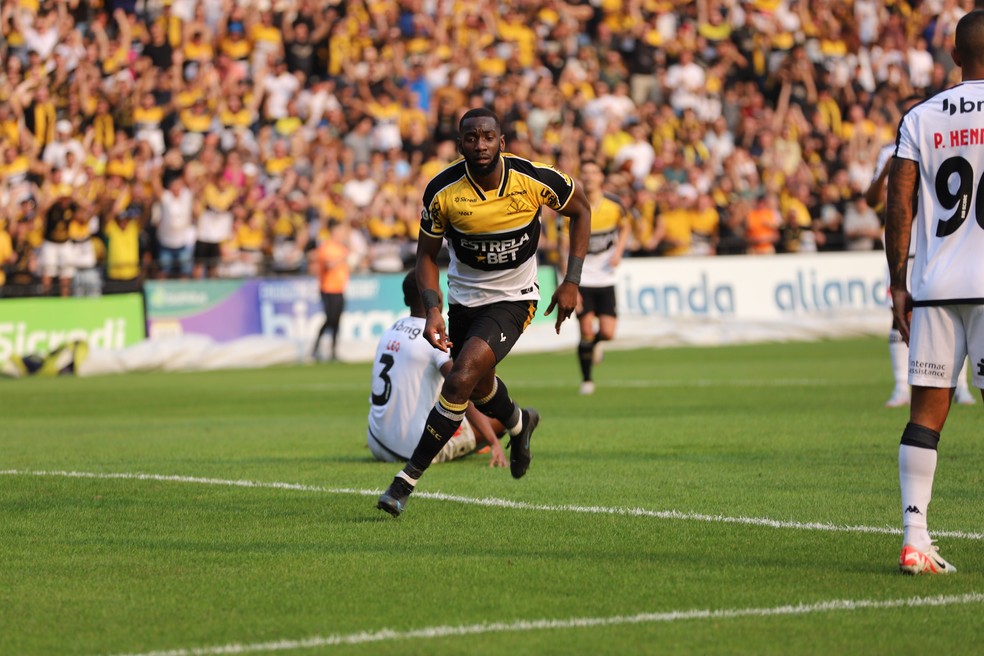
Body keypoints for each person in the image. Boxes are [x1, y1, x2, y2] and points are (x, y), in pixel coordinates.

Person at [377, 107, 592, 517]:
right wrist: (434, 308)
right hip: (463, 301)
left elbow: (581, 210)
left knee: (458, 380)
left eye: (488, 137)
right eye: (471, 138)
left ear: (501, 142)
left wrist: (572, 280)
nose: (480, 145)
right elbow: (426, 257)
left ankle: (405, 481)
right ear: (460, 145)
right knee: (478, 386)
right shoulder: (442, 191)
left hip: (515, 299)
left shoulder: (534, 180)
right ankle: (518, 423)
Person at [885, 9, 984, 576]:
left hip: (936, 285)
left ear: (954, 56)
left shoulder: (921, 116)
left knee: (926, 413)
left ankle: (914, 538)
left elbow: (900, 204)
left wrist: (898, 283)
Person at [866, 106, 976, 409]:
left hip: (937, 245)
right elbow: (872, 199)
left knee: (957, 309)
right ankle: (901, 385)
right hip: (903, 248)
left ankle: (961, 386)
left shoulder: (942, 141)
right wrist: (889, 168)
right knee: (899, 314)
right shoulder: (890, 151)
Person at [368, 272, 508, 467]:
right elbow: (462, 389)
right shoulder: (435, 338)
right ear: (438, 297)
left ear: (406, 300)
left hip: (376, 441)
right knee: (502, 417)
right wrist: (493, 441)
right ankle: (485, 441)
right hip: (413, 449)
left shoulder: (391, 329)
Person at [560, 160, 630, 395]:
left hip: (606, 278)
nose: (589, 177)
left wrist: (619, 251)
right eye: (585, 173)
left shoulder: (614, 205)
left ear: (601, 177)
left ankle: (597, 345)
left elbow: (626, 226)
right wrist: (569, 281)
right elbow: (563, 247)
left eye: (594, 172)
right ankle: (587, 380)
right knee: (586, 329)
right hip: (583, 279)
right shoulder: (573, 205)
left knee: (608, 332)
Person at [310, 218, 349, 362]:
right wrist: (342, 258)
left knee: (337, 320)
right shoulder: (327, 247)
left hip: (340, 289)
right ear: (333, 232)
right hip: (328, 288)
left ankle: (333, 351)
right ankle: (315, 348)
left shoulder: (341, 248)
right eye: (339, 231)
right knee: (330, 319)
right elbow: (329, 265)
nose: (342, 234)